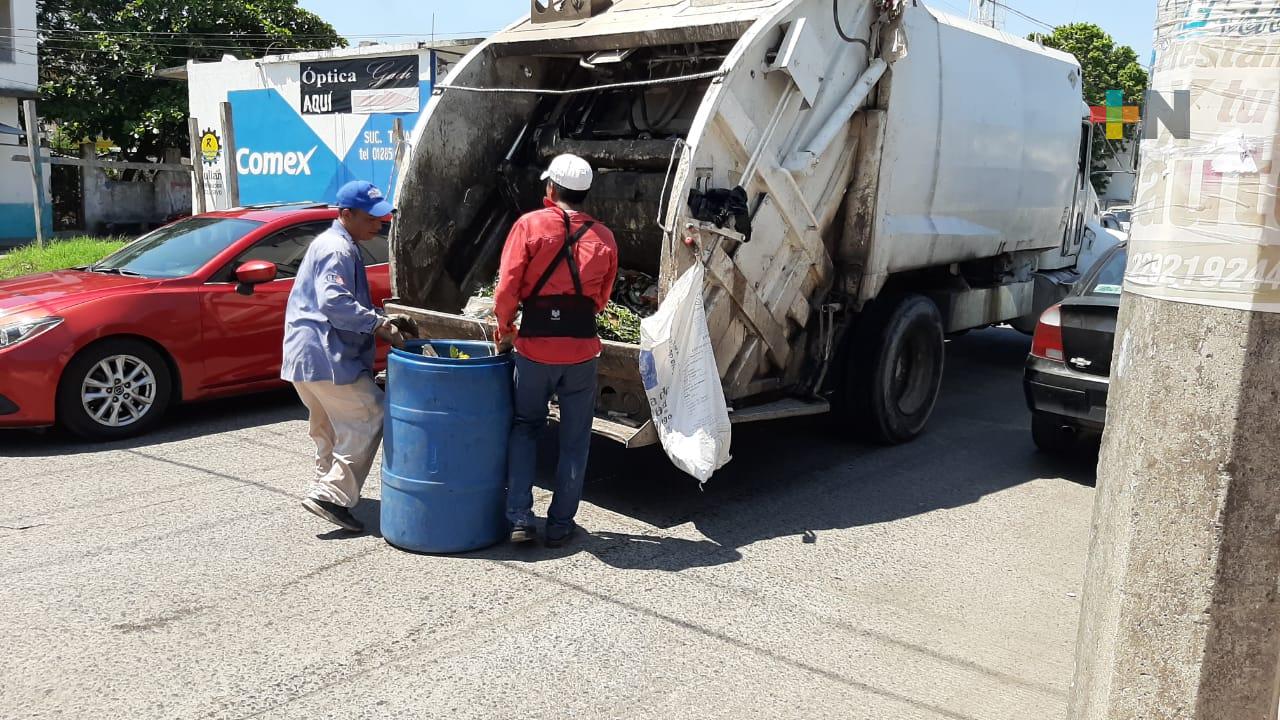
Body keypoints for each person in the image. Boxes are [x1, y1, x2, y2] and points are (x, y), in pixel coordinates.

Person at [494, 154, 618, 548]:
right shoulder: (605, 237)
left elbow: (507, 287)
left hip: (534, 349)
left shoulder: (529, 225)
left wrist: (505, 327)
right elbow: (601, 298)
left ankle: (519, 517)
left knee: (526, 427)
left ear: (551, 189)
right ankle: (561, 524)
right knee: (575, 439)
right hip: (582, 350)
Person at [283, 179, 409, 533]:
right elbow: (334, 302)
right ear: (345, 214)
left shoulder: (332, 243)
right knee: (371, 412)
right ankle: (331, 495)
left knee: (328, 426)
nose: (378, 224)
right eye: (370, 218)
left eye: (380, 218)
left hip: (304, 357)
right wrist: (377, 324)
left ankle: (322, 486)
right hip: (327, 356)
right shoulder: (338, 249)